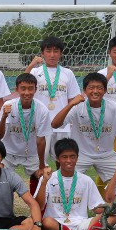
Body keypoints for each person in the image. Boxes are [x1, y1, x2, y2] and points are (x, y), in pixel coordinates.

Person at [52, 72, 116, 192]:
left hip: (107, 154)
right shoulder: (77, 107)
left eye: (99, 88)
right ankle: (71, 205)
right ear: (84, 90)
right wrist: (71, 104)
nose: (95, 91)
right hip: (80, 154)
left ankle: (113, 206)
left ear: (105, 91)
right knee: (65, 178)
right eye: (91, 88)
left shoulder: (115, 108)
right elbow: (55, 124)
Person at [35, 138, 116, 230]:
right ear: (57, 159)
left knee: (114, 215)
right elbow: (39, 205)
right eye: (64, 157)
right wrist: (44, 182)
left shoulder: (86, 180)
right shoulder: (48, 178)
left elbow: (97, 209)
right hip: (57, 224)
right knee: (47, 222)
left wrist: (109, 207)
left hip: (81, 225)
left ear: (77, 158)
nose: (69, 160)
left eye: (72, 156)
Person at [26, 36, 81, 166]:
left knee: (63, 163)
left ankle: (62, 186)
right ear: (42, 53)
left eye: (56, 51)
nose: (52, 55)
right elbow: (23, 84)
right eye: (48, 51)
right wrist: (31, 65)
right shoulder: (35, 71)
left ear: (61, 53)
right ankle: (40, 187)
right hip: (41, 125)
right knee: (39, 164)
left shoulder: (68, 73)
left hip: (62, 126)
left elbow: (73, 99)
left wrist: (72, 121)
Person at [0, 73, 52, 194]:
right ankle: (3, 208)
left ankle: (38, 208)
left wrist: (41, 165)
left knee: (45, 176)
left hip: (32, 154)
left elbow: (41, 140)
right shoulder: (8, 106)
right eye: (23, 88)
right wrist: (4, 117)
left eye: (30, 88)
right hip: (9, 154)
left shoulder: (42, 109)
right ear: (16, 89)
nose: (27, 92)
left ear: (35, 89)